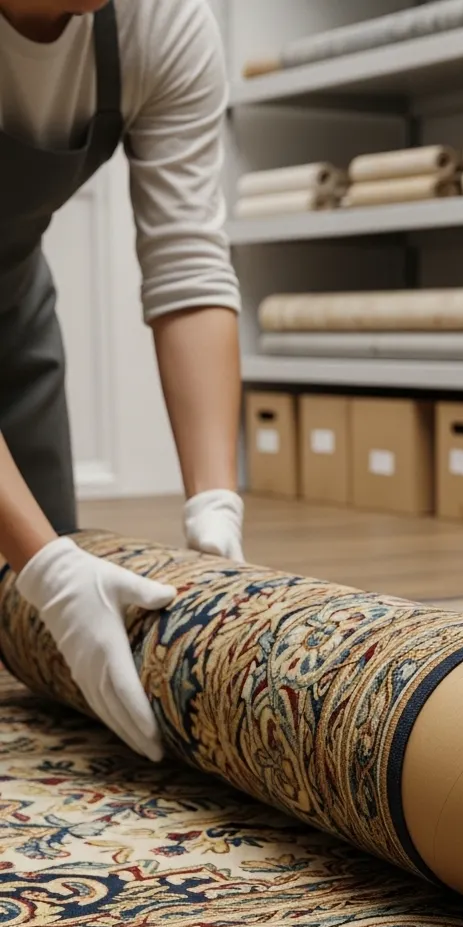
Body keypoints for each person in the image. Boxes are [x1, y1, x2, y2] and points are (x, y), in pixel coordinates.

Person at [0, 0, 244, 761]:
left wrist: (214, 499)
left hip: (11, 309)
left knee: (26, 614)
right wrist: (45, 567)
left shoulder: (160, 22)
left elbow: (188, 264)